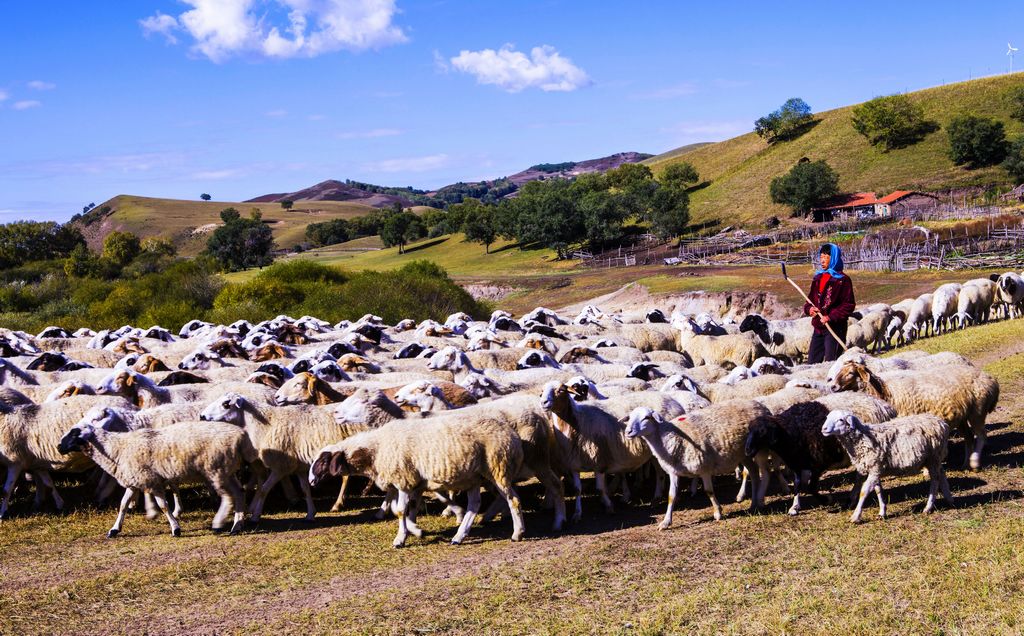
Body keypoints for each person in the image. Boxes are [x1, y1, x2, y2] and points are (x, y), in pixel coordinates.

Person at [804, 242, 855, 363]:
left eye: (826, 257)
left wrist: (830, 317)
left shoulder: (842, 280)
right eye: (821, 257)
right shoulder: (818, 278)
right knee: (812, 362)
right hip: (818, 327)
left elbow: (849, 305)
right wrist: (809, 309)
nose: (822, 260)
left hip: (835, 328)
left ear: (834, 259)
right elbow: (809, 300)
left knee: (831, 363)